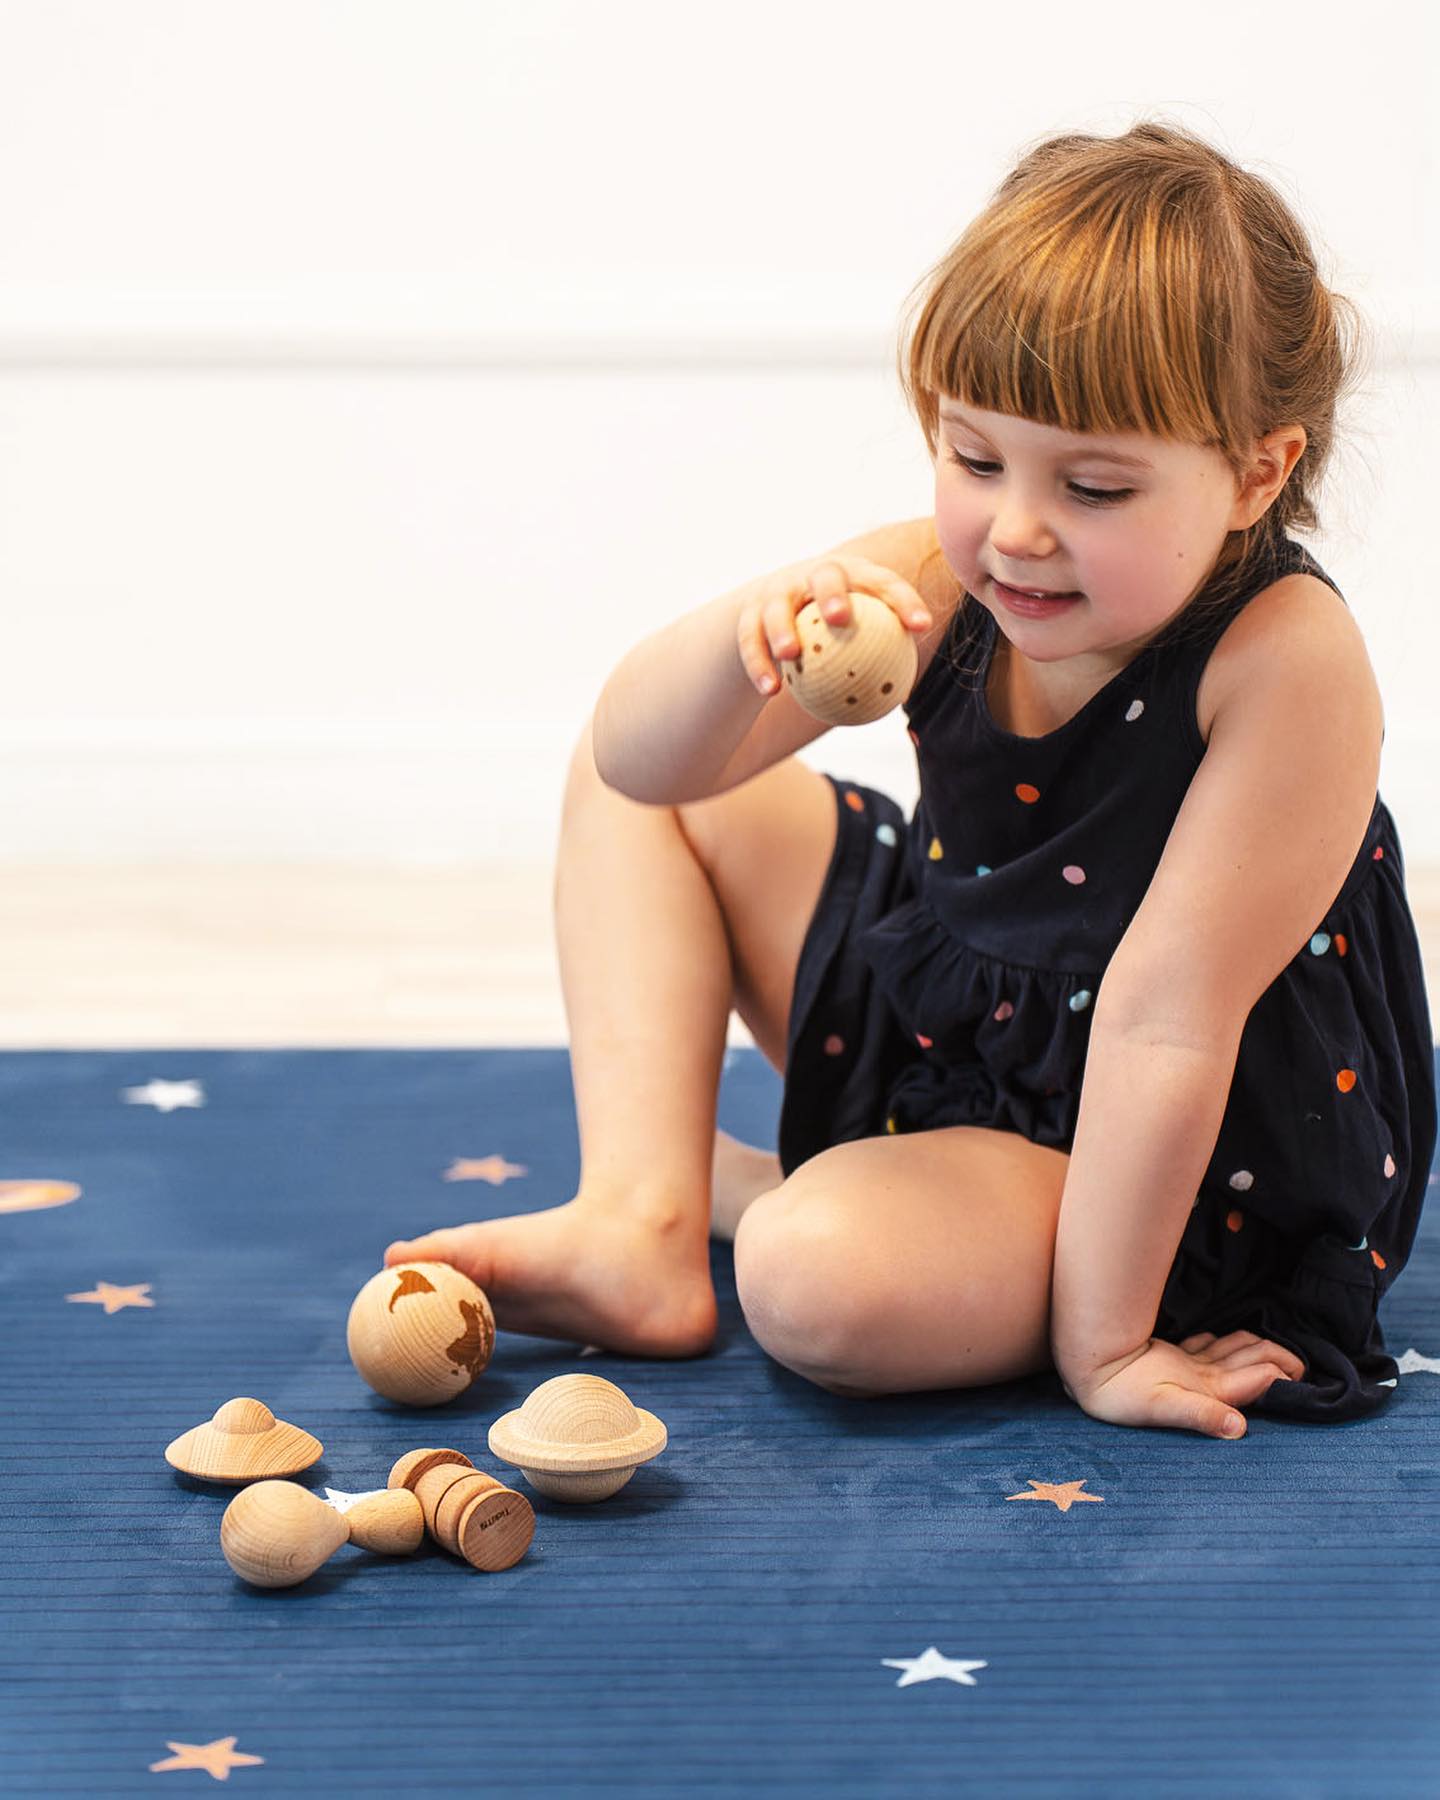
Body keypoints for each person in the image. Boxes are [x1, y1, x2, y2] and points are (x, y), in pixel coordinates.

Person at [384, 119, 1435, 1440]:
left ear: (1255, 474)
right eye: (975, 459)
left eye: (1095, 487)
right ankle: (639, 1224)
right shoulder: (941, 577)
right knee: (656, 793)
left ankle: (808, 1204)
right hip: (965, 1018)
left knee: (812, 1281)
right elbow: (635, 763)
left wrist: (1107, 1349)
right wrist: (749, 637)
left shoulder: (1284, 660)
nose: (1018, 532)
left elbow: (1167, 1023)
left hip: (1174, 1143)